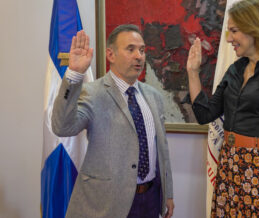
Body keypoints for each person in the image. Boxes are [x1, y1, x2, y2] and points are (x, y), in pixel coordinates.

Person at [186, 0, 259, 217]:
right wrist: (193, 72)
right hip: (230, 167)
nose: (229, 39)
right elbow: (205, 114)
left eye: (234, 31)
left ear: (254, 28)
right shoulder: (235, 69)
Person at [52, 24, 174, 218]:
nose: (139, 56)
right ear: (111, 55)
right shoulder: (92, 93)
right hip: (106, 205)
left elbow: (162, 149)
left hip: (151, 199)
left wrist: (168, 193)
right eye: (130, 49)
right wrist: (74, 74)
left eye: (142, 50)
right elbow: (62, 127)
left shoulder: (154, 97)